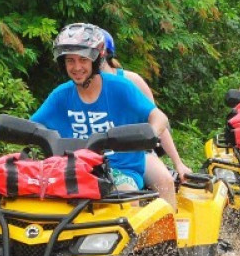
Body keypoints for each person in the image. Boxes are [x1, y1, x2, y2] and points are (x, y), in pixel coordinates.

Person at [31, 22, 181, 209]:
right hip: (74, 171)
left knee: (125, 200)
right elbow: (33, 126)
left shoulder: (121, 87)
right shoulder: (60, 95)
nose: (77, 67)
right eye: (70, 60)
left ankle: (163, 237)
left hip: (119, 170)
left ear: (95, 60)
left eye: (83, 60)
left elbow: (159, 117)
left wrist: (150, 133)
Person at [98, 28, 193, 184]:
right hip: (96, 153)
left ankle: (170, 208)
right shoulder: (80, 86)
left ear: (105, 53)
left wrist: (178, 163)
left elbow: (156, 120)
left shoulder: (131, 81)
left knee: (165, 182)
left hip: (136, 152)